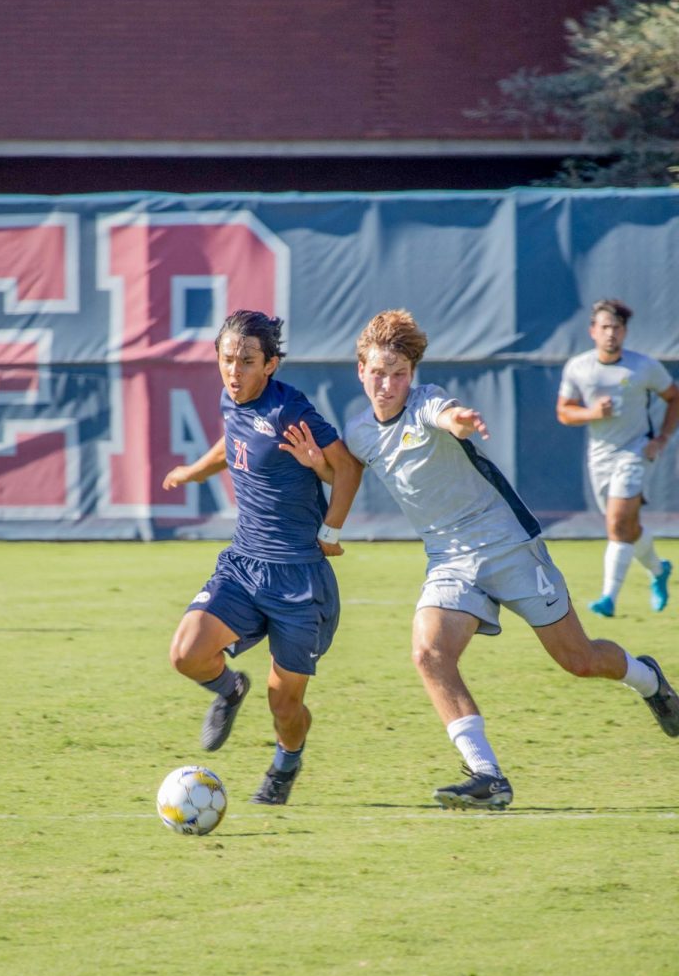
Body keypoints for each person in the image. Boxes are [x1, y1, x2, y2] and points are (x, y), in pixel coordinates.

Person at [282, 308, 679, 811]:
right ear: (360, 370)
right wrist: (319, 466)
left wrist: (460, 420)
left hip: (509, 545)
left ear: (413, 375)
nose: (387, 384)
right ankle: (486, 774)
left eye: (398, 374)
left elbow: (443, 413)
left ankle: (648, 678)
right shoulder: (359, 431)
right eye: (377, 373)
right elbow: (351, 471)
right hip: (448, 559)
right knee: (429, 654)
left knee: (578, 660)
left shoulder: (427, 403)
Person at [162, 309, 362, 806]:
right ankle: (230, 690)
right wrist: (194, 472)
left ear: (270, 364)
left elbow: (348, 470)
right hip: (244, 565)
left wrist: (331, 527)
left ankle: (284, 765)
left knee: (285, 705)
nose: (234, 370)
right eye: (227, 359)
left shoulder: (291, 411)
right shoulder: (231, 400)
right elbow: (233, 442)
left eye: (247, 361)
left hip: (299, 579)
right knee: (186, 654)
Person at [557, 298, 679, 618]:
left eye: (617, 328)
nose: (611, 333)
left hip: (636, 452)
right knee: (627, 527)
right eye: (605, 327)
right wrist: (592, 412)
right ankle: (659, 569)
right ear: (593, 331)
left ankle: (608, 598)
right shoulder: (578, 367)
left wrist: (662, 439)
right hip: (599, 458)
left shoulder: (644, 366)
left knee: (616, 524)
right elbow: (564, 413)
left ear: (625, 332)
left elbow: (673, 397)